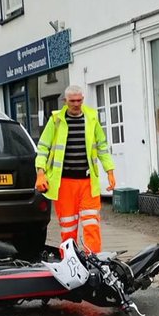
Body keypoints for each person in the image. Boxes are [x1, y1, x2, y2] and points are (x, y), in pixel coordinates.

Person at [34, 85, 116, 252]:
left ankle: (93, 262)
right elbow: (43, 148)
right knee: (68, 228)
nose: (76, 104)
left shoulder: (91, 119)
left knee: (92, 224)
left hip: (88, 182)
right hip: (64, 183)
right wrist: (40, 173)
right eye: (72, 101)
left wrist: (110, 171)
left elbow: (102, 146)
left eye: (79, 100)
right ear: (65, 101)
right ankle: (70, 264)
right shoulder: (56, 121)